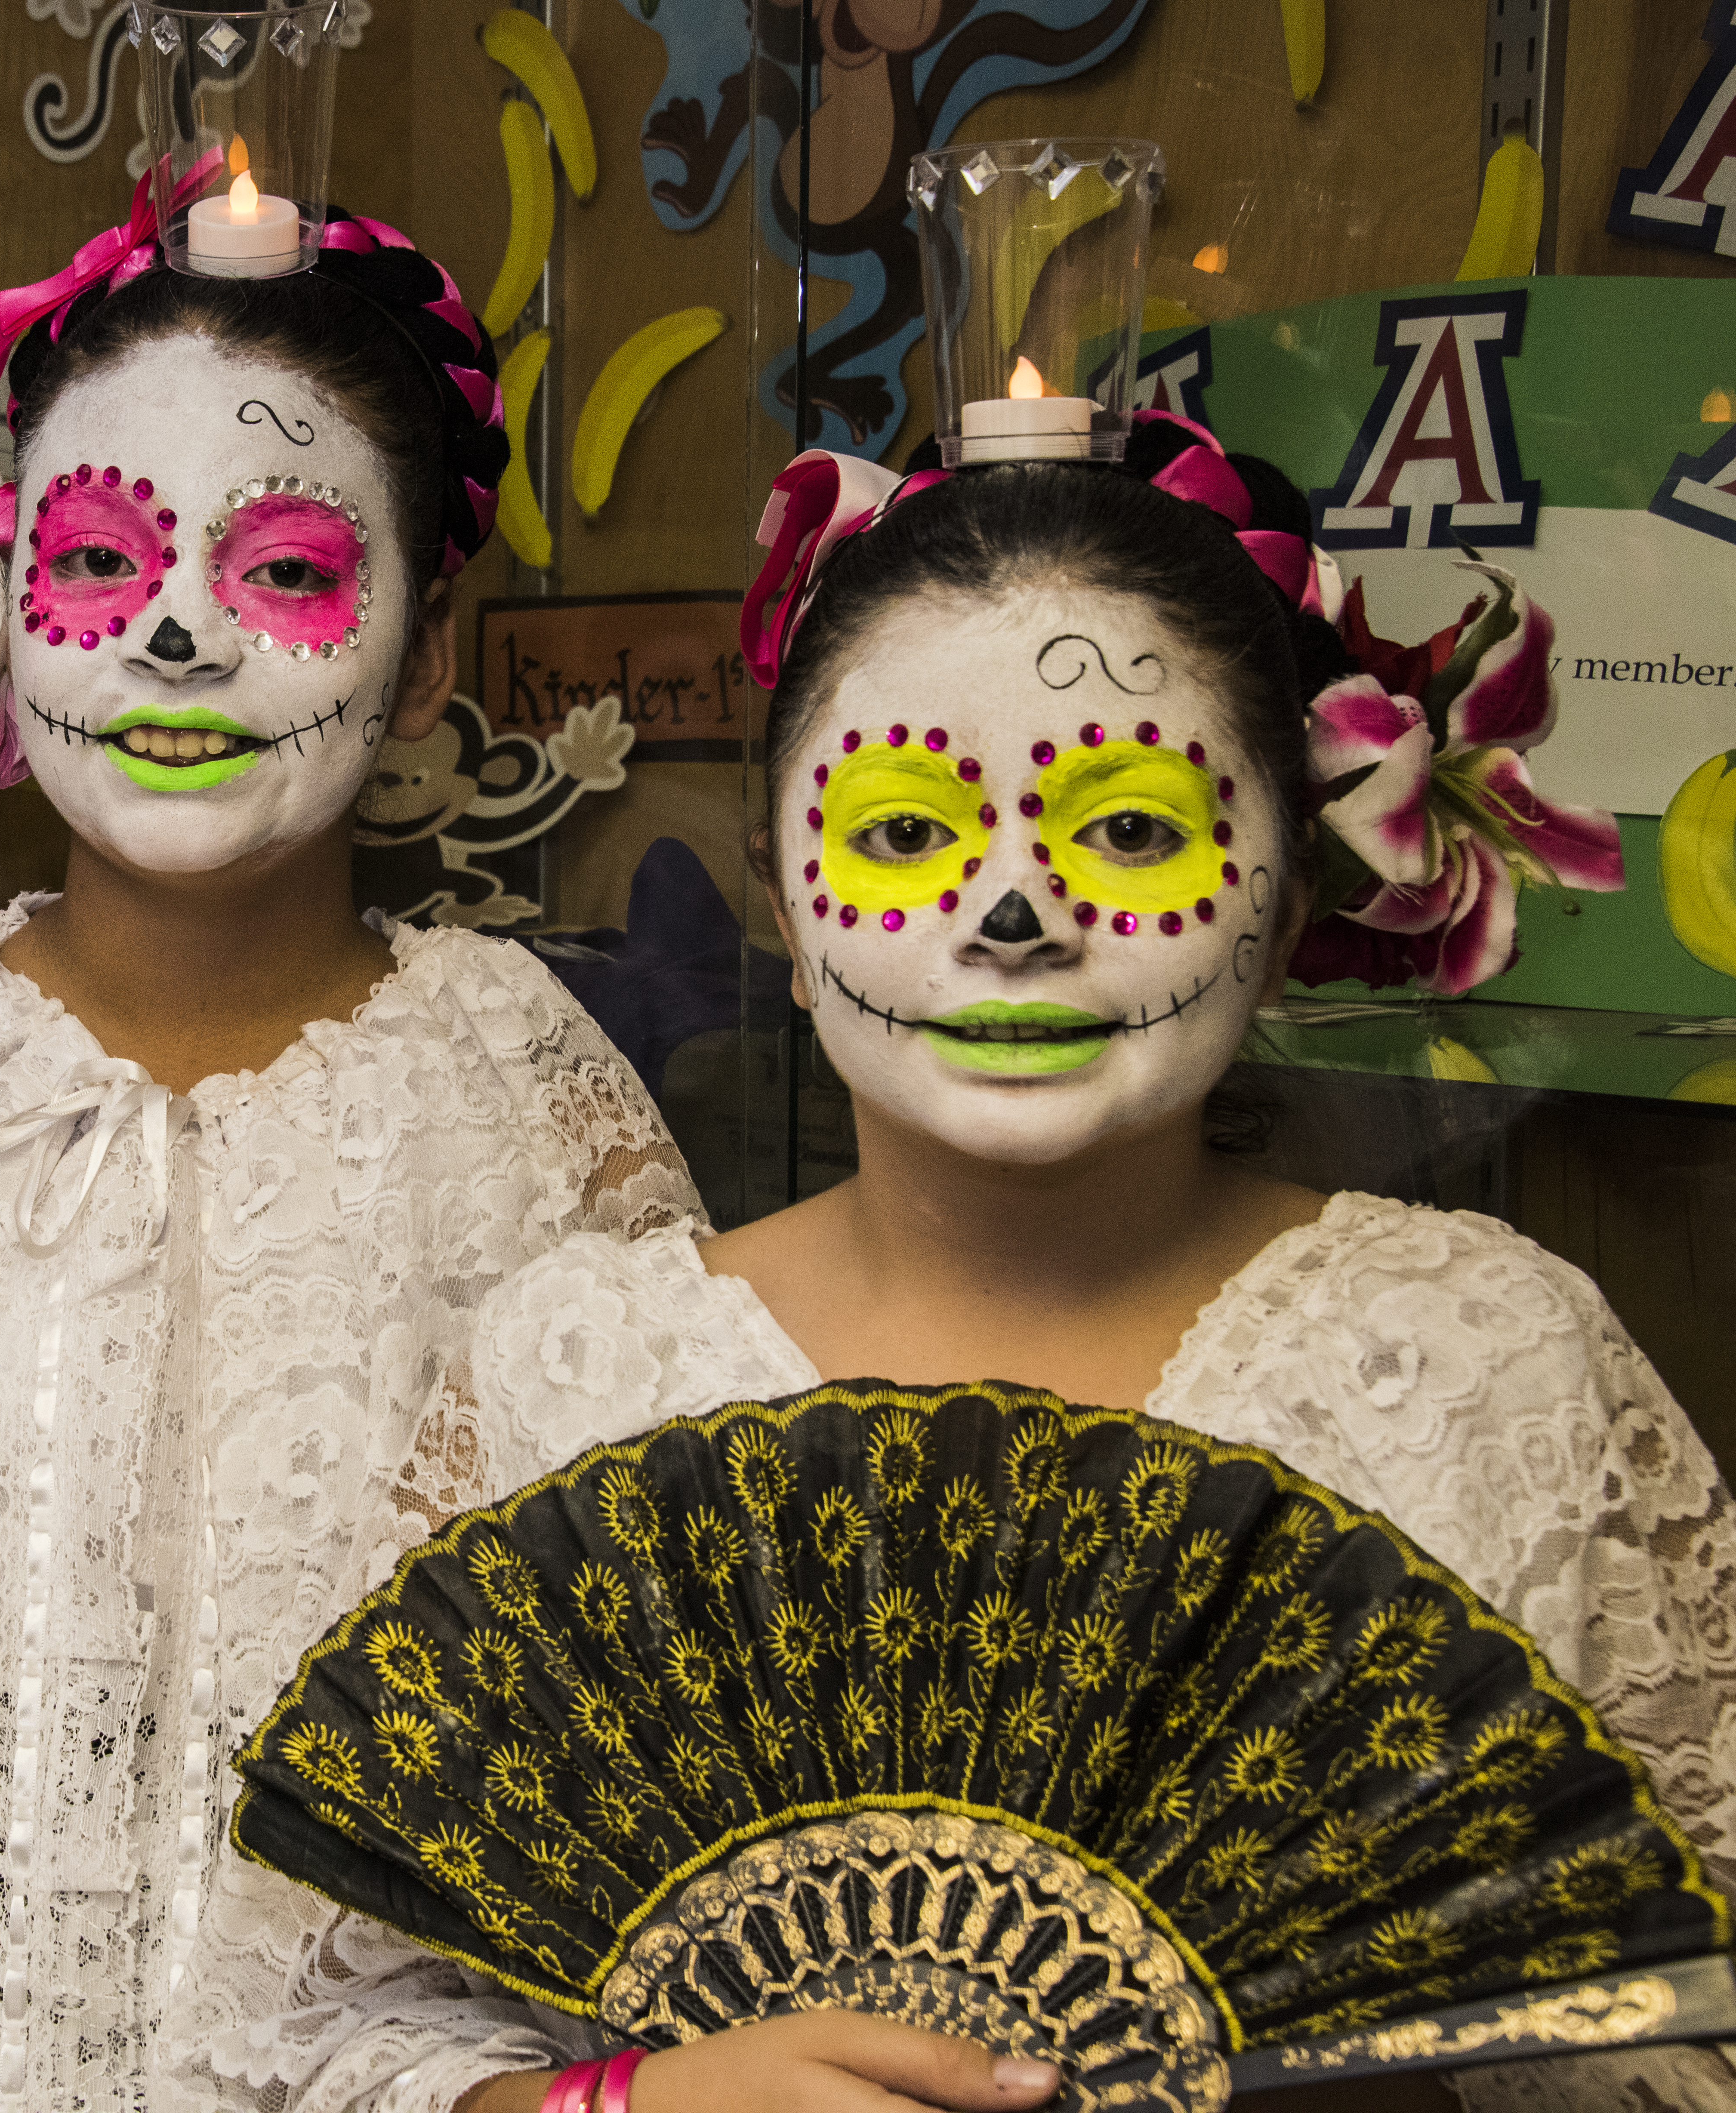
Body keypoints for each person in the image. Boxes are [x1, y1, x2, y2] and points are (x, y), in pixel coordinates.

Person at [425, 419, 1734, 2112]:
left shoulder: (1484, 1368)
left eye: (1127, 830)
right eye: (903, 835)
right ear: (784, 905)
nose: (1015, 909)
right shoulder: (575, 1377)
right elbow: (333, 2041)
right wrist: (633, 2102)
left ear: (1291, 891)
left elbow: (1682, 2012)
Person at [0, 203, 700, 2112]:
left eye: (287, 568)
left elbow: (632, 1735)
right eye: (100, 560)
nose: (172, 632)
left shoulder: (522, 1096)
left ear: (419, 656)